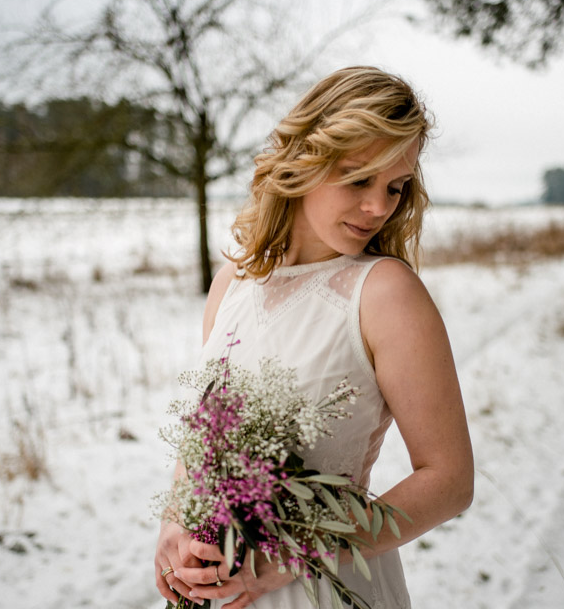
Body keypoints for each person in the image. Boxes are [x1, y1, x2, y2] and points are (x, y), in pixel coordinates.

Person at [154, 66, 474, 609]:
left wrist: (298, 554)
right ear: (305, 159)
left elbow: (449, 480)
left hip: (323, 589)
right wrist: (173, 523)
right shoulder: (233, 284)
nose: (379, 207)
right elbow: (210, 436)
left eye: (395, 186)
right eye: (358, 179)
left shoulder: (385, 293)